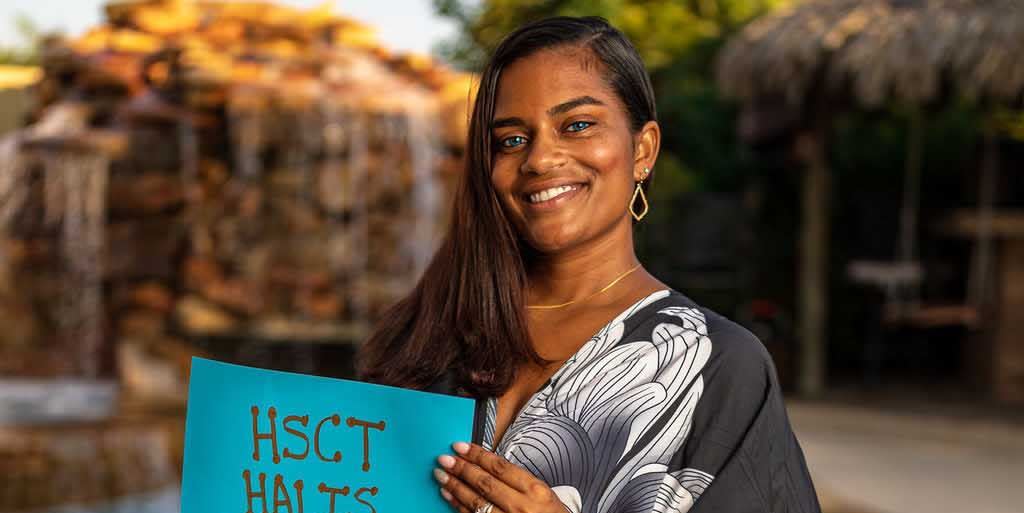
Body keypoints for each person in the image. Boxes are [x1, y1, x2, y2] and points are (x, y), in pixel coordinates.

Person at [358, 16, 820, 513]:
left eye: (577, 126)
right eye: (512, 140)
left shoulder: (717, 367)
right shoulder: (428, 335)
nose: (539, 159)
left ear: (643, 150)